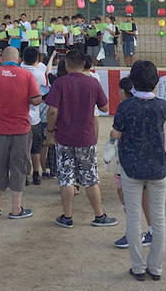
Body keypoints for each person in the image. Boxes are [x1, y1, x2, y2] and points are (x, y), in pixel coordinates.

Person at [110, 60, 166, 282]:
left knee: (133, 218)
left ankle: (138, 267)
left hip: (132, 166)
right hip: (158, 166)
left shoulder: (126, 106)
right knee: (158, 219)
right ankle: (156, 268)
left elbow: (116, 133)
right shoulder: (162, 105)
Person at [44, 49, 115, 228]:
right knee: (90, 178)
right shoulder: (92, 83)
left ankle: (67, 216)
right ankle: (99, 215)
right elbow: (105, 108)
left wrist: (51, 129)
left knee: (66, 177)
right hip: (86, 136)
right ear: (84, 64)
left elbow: (52, 110)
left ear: (67, 64)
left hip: (64, 136)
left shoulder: (60, 83)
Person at [0, 46, 42, 219]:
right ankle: (16, 209)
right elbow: (36, 100)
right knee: (19, 168)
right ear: (19, 59)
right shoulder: (27, 75)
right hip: (21, 130)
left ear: (2, 58)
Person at [112, 77, 153, 250]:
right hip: (146, 158)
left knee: (127, 194)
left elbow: (116, 133)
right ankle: (148, 231)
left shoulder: (126, 108)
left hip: (128, 158)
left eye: (120, 90)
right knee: (142, 196)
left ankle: (134, 233)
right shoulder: (150, 105)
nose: (118, 93)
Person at [21, 47, 48, 185]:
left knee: (22, 148)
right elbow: (42, 93)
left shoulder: (19, 71)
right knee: (36, 147)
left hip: (20, 115)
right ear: (36, 59)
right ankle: (36, 173)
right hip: (35, 114)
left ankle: (24, 175)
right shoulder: (39, 74)